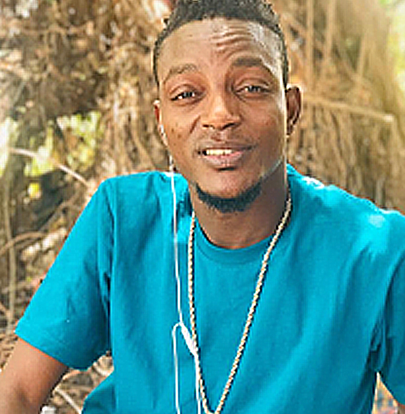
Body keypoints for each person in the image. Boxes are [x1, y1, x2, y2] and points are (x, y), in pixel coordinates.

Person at [0, 0, 404, 413]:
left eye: (251, 88)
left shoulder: (373, 251)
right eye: (187, 94)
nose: (220, 115)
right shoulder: (122, 219)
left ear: (291, 111)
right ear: (161, 122)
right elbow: (17, 394)